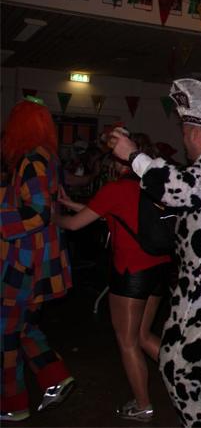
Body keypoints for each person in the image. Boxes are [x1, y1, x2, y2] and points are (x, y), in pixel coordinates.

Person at [109, 79, 201, 426]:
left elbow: (177, 188)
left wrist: (134, 156)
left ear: (193, 133)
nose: (183, 139)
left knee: (176, 362)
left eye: (183, 131)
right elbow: (188, 199)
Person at [56, 133, 171, 422]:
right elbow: (108, 213)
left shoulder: (116, 189)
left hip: (131, 273)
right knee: (143, 336)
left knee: (128, 342)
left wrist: (50, 218)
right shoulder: (156, 185)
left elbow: (74, 225)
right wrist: (72, 203)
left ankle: (143, 405)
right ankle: (190, 378)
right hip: (160, 269)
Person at [1, 97, 75, 422]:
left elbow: (39, 212)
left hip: (23, 265)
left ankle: (12, 404)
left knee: (5, 336)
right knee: (24, 328)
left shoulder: (32, 160)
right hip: (36, 261)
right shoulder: (46, 158)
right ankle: (56, 377)